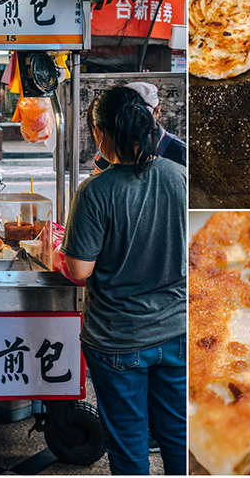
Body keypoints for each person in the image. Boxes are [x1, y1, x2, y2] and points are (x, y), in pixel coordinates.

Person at [62, 85, 187, 475]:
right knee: (180, 436)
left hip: (118, 339)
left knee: (129, 442)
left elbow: (80, 270)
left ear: (100, 134)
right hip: (177, 331)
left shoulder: (95, 191)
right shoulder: (180, 177)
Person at [93, 82, 186, 173]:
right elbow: (97, 177)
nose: (135, 118)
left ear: (157, 112)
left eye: (141, 113)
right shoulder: (110, 141)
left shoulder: (180, 151)